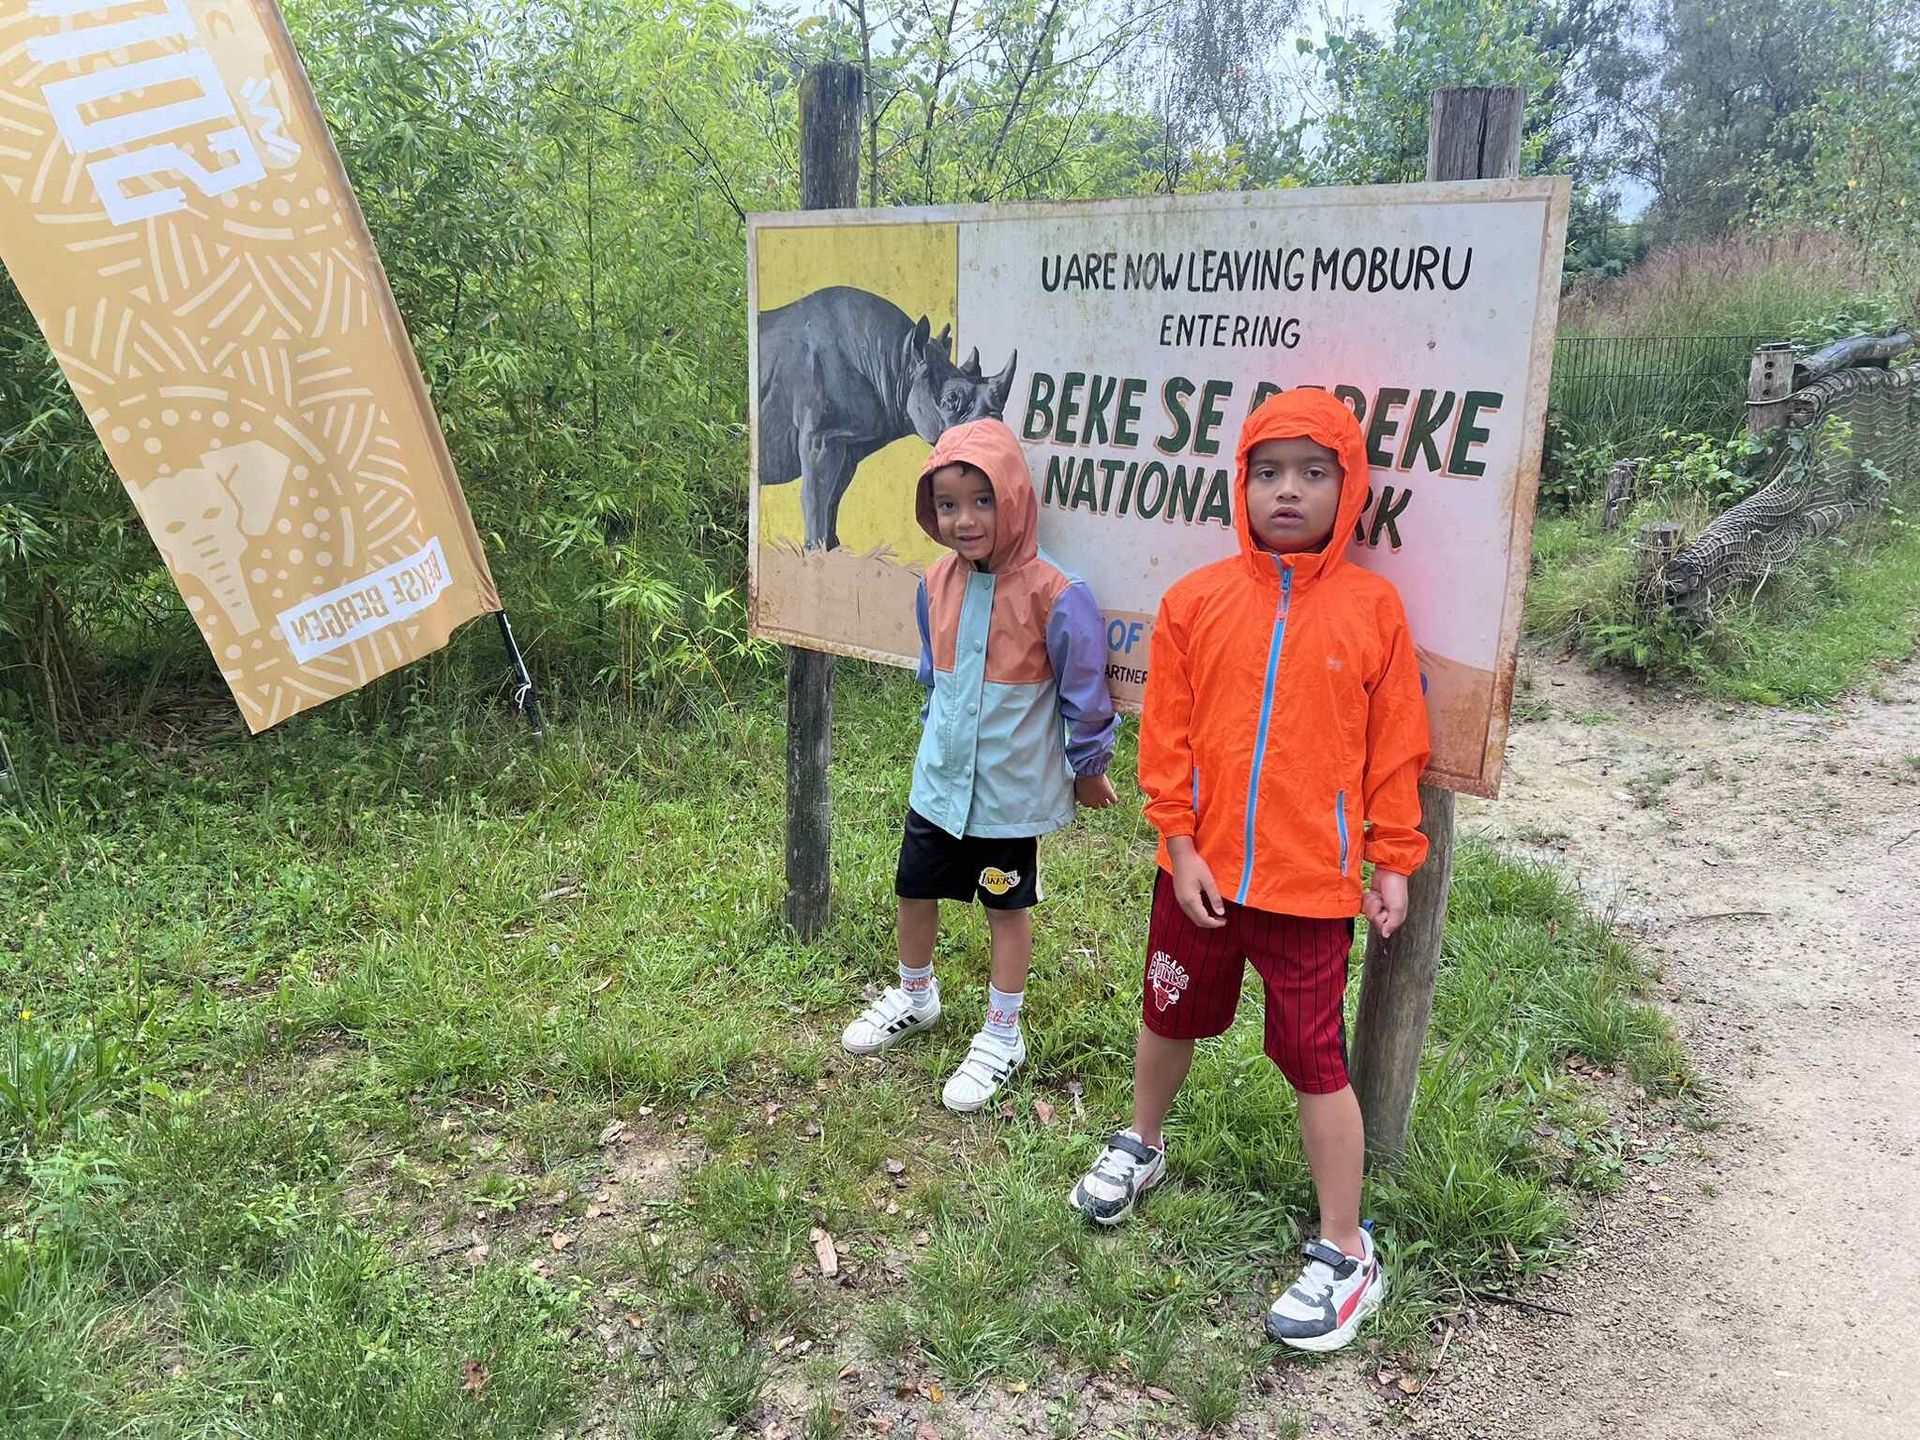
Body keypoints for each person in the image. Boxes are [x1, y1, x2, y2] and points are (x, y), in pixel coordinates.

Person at [1068, 388, 1431, 1353]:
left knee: (1317, 1062)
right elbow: (1170, 740)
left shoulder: (1373, 610)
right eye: (1268, 471)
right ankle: (1140, 1142)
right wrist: (1178, 845)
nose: (1288, 491)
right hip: (1200, 879)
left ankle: (1347, 1250)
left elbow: (1397, 748)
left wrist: (1393, 858)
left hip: (1313, 891)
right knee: (1166, 1010)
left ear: (1349, 489)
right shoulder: (1195, 602)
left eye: (1315, 473)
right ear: (1240, 484)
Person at [842, 417, 1119, 1113]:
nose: (964, 520)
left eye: (982, 500)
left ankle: (1002, 1033)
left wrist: (1090, 766)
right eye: (947, 504)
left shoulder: (1056, 593)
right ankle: (915, 994)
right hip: (938, 783)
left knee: (1006, 904)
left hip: (1007, 792)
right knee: (914, 887)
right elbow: (933, 676)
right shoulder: (934, 580)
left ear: (1016, 497)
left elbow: (1086, 692)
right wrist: (936, 732)